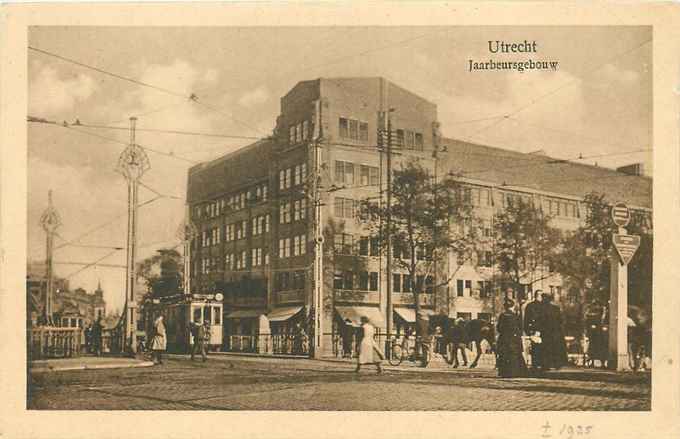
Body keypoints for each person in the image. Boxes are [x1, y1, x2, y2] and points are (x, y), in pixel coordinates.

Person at [496, 299, 528, 378]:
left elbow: (499, 328)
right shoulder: (515, 315)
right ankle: (517, 372)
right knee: (515, 355)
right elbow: (520, 327)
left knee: (505, 355)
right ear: (513, 306)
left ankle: (505, 372)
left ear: (505, 307)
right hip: (514, 339)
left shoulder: (502, 315)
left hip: (504, 338)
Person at [541, 294, 568, 370]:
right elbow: (561, 320)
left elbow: (540, 321)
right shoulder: (556, 308)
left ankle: (547, 365)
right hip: (556, 331)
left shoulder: (542, 309)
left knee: (547, 348)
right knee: (555, 348)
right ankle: (556, 364)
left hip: (546, 332)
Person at [524, 290, 545, 371]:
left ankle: (539, 365)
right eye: (539, 295)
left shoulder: (543, 306)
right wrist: (529, 331)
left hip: (542, 331)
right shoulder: (530, 306)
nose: (540, 297)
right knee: (536, 348)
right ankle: (536, 365)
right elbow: (526, 319)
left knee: (541, 349)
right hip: (535, 330)